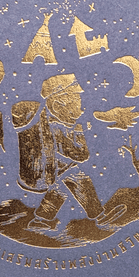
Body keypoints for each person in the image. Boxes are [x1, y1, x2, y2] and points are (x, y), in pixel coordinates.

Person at [11, 74, 89, 229]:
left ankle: (42, 219)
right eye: (76, 105)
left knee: (65, 181)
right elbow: (80, 154)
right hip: (48, 172)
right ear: (58, 106)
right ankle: (97, 215)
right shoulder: (55, 127)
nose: (81, 111)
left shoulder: (47, 121)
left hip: (49, 171)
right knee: (74, 175)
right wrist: (80, 133)